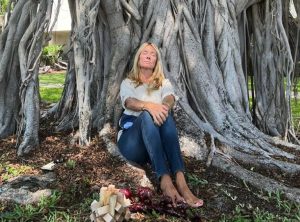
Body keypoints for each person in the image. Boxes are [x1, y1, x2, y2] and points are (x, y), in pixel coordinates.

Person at [117, 42, 203, 208]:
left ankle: (180, 180)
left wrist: (162, 107)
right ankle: (164, 180)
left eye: (153, 54)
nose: (149, 56)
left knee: (166, 114)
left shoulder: (163, 83)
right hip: (131, 143)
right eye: (145, 53)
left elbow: (169, 97)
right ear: (138, 58)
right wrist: (150, 106)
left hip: (153, 144)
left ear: (156, 61)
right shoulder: (128, 83)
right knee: (147, 116)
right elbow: (129, 101)